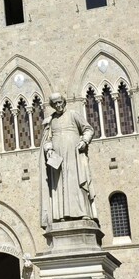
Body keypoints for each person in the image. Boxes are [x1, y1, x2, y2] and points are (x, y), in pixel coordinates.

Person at [39, 92, 98, 229]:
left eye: (60, 102)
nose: (58, 105)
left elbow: (88, 129)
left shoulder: (73, 115)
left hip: (74, 155)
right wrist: (49, 150)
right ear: (52, 105)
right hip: (58, 160)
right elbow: (47, 139)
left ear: (64, 102)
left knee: (76, 183)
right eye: (55, 104)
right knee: (60, 186)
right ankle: (62, 215)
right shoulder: (51, 120)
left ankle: (83, 213)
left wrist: (84, 141)